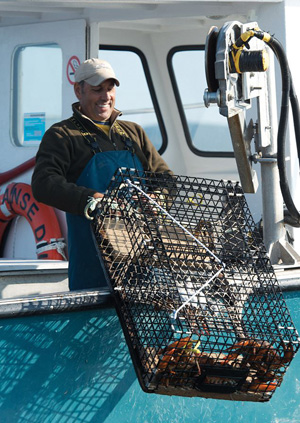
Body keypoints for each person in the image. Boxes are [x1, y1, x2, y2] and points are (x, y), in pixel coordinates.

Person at [31, 58, 174, 291]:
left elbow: (165, 178)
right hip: (93, 262)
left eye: (110, 88)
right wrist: (91, 199)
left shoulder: (133, 133)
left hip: (143, 263)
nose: (106, 96)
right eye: (97, 89)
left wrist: (158, 198)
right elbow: (43, 184)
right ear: (79, 90)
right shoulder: (62, 135)